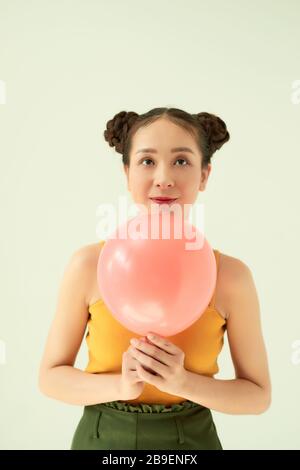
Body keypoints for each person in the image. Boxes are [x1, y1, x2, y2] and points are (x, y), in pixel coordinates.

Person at [38, 107, 272, 450]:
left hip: (192, 442)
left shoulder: (232, 278)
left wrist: (183, 383)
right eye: (147, 161)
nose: (163, 177)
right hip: (101, 440)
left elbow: (258, 396)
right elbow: (50, 377)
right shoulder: (89, 265)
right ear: (127, 173)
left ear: (205, 174)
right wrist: (120, 386)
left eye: (181, 161)